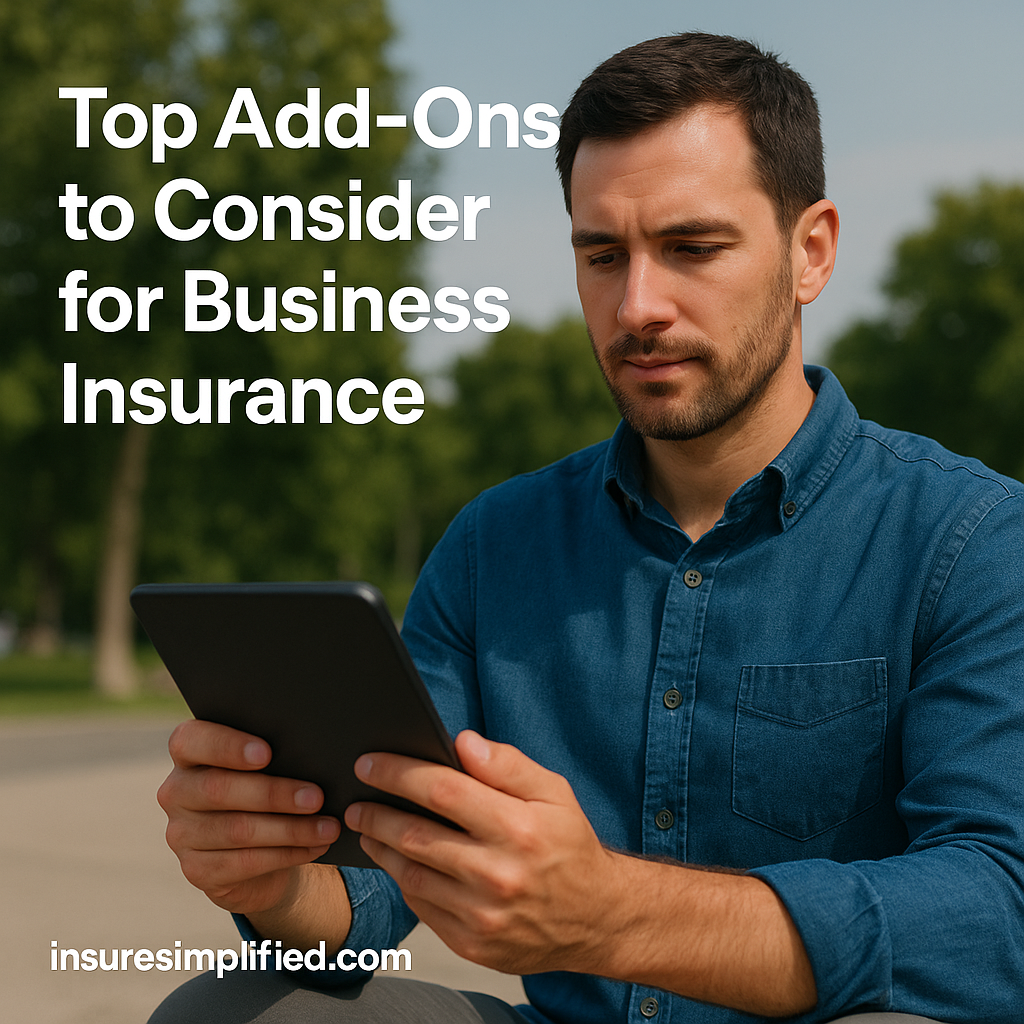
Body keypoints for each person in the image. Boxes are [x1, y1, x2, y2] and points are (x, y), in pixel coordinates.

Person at [150, 32, 1024, 1024]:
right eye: (603, 255)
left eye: (692, 248)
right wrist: (271, 881)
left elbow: (1000, 912)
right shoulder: (493, 545)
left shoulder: (975, 540)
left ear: (809, 251)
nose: (637, 306)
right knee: (230, 1013)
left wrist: (612, 915)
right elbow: (374, 889)